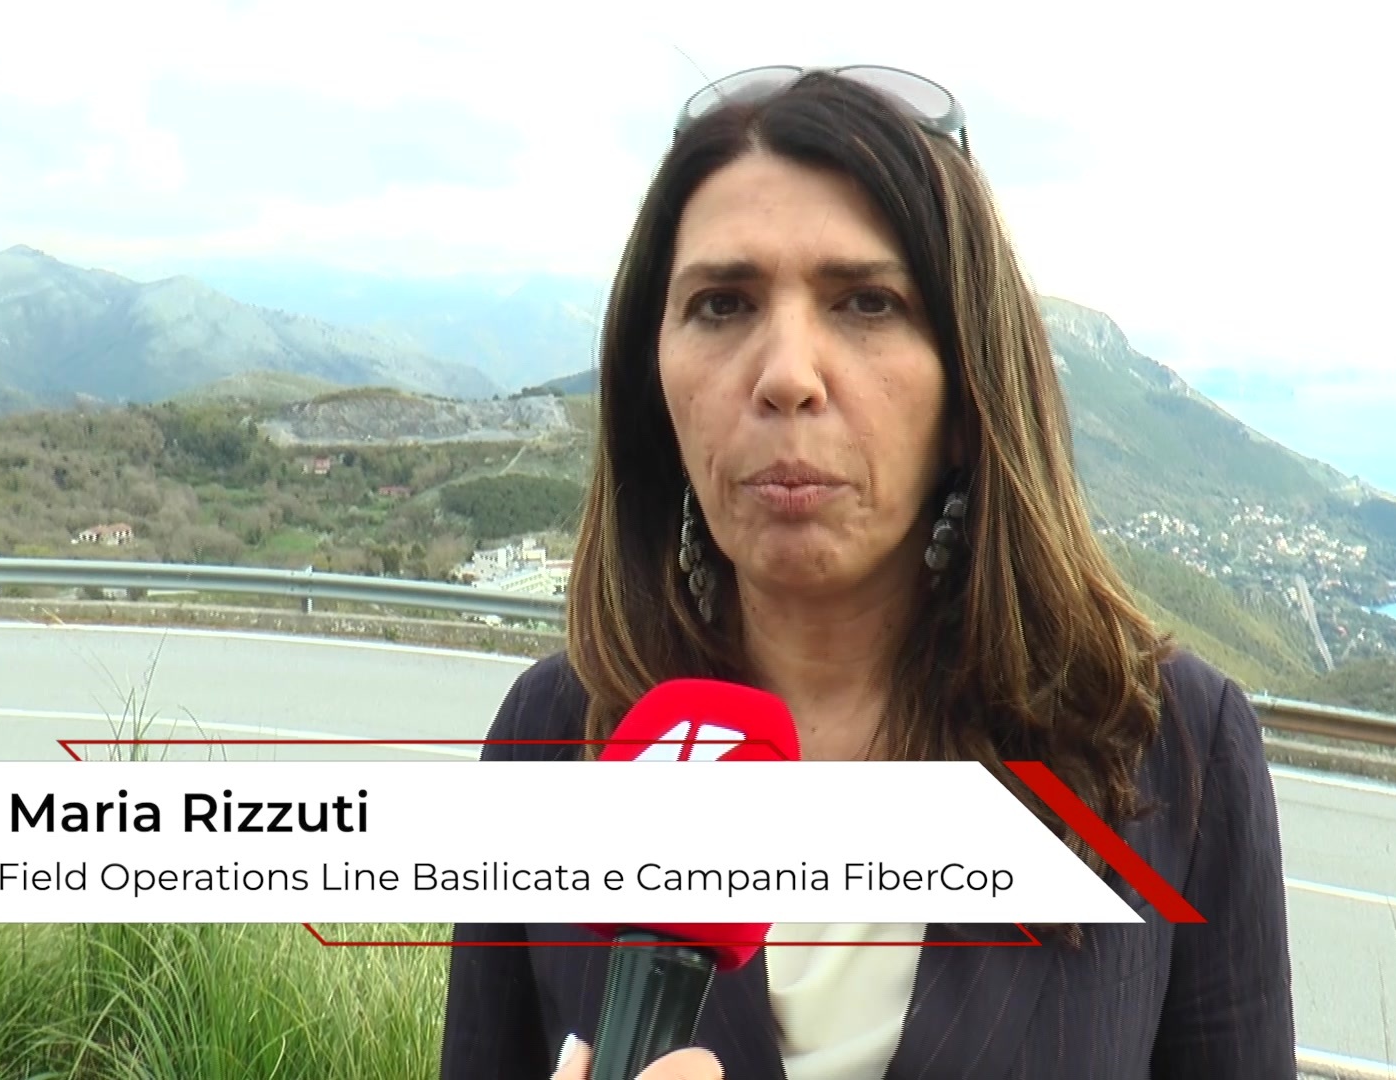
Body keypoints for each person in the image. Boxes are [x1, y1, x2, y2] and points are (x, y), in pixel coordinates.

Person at [439, 65, 1296, 1080]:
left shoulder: (1170, 749)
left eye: (867, 303)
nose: (787, 375)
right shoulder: (553, 741)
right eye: (722, 304)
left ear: (970, 393)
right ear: (652, 382)